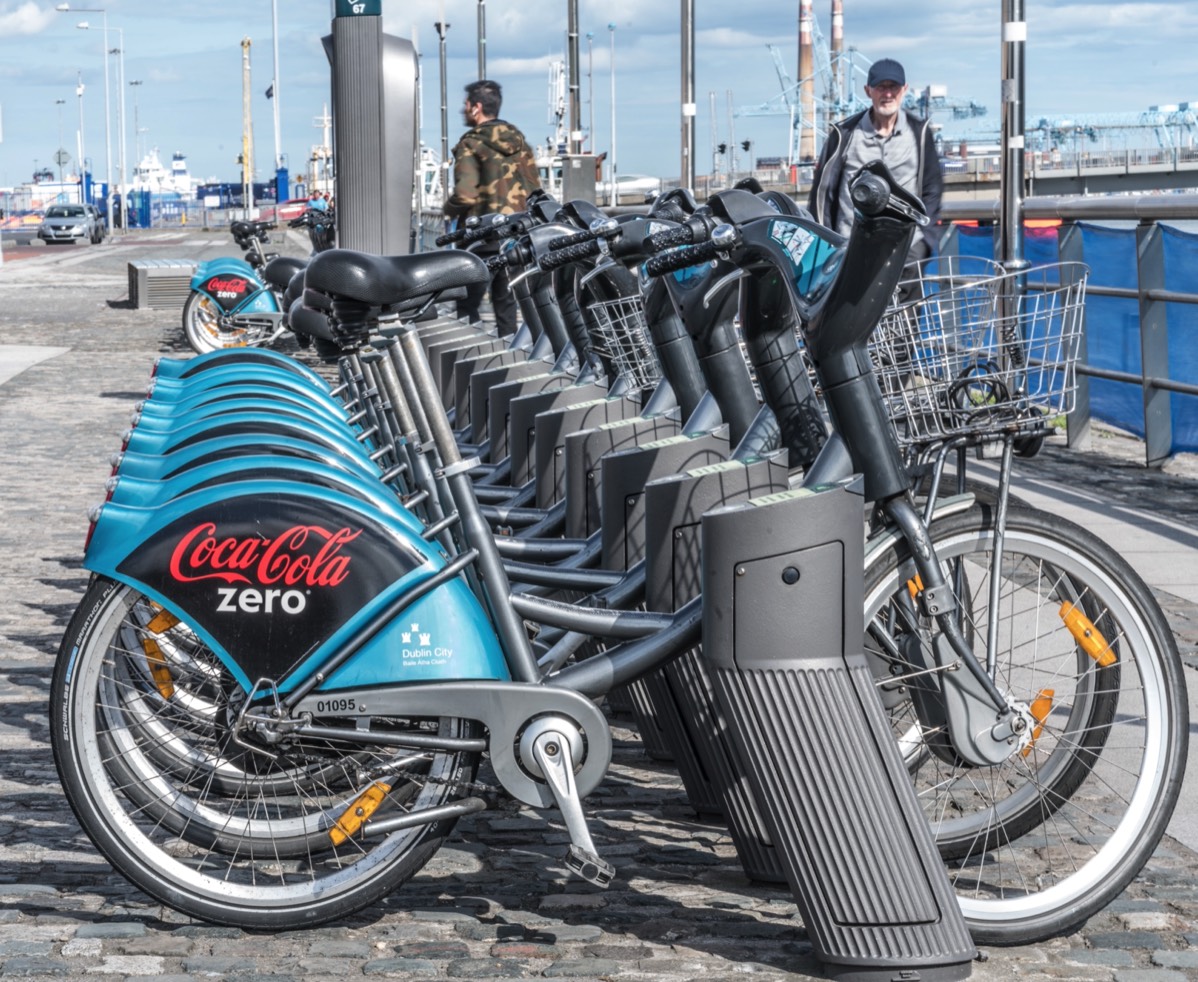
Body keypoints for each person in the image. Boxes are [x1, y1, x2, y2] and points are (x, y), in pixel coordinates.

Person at [807, 58, 942, 290]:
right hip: (851, 250)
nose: (887, 94)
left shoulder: (919, 133)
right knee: (855, 323)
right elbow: (823, 194)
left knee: (906, 323)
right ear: (868, 91)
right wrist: (829, 245)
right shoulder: (845, 134)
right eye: (881, 87)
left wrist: (923, 243)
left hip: (906, 250)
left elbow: (932, 189)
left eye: (894, 88)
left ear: (904, 90)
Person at [444, 79, 541, 336]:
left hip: (480, 239)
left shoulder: (470, 143)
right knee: (507, 304)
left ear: (476, 108)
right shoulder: (521, 144)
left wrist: (448, 210)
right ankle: (511, 357)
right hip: (517, 237)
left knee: (468, 305)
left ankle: (469, 360)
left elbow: (465, 194)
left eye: (465, 105)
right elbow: (535, 191)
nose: (463, 110)